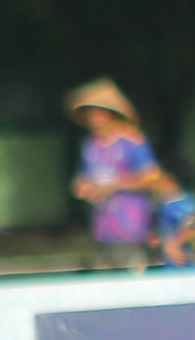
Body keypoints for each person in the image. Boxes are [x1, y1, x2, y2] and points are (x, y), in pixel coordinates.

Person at [67, 78, 168, 270]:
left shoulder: (132, 142)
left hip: (131, 228)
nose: (94, 117)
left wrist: (112, 186)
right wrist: (81, 186)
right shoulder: (90, 145)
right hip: (102, 228)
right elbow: (85, 176)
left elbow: (154, 179)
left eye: (99, 111)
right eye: (90, 112)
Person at [153, 153, 195, 270]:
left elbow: (192, 227)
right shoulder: (164, 204)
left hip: (191, 268)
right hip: (173, 267)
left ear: (169, 179)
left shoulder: (185, 202)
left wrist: (174, 243)